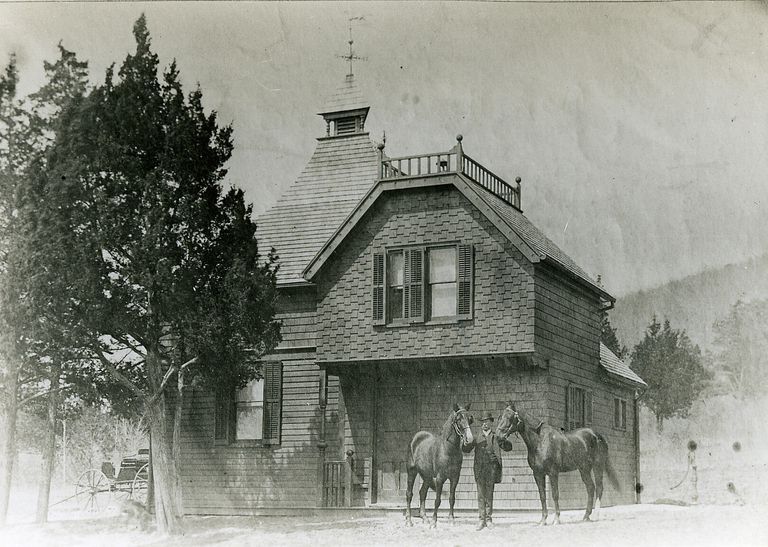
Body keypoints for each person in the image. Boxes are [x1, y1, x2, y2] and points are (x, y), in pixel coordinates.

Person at [463, 410, 513, 530]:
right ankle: (481, 519)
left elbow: (508, 448)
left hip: (491, 469)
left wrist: (504, 440)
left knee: (489, 494)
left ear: (491, 423)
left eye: (487, 421)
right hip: (480, 469)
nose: (484, 424)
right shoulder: (476, 436)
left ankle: (489, 519)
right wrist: (466, 442)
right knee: (481, 495)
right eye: (483, 422)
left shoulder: (496, 436)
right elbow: (466, 449)